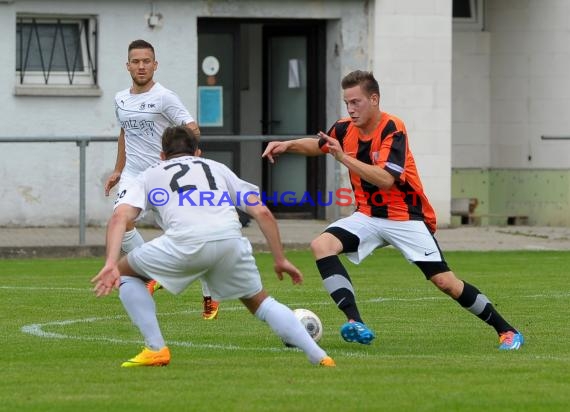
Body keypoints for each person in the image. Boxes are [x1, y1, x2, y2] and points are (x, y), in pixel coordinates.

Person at [262, 70, 524, 351]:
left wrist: (343, 157)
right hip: (368, 216)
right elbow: (320, 144)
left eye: (356, 102)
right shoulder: (344, 128)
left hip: (405, 217)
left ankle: (507, 330)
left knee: (446, 282)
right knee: (321, 245)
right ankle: (355, 321)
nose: (350, 109)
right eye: (347, 103)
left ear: (374, 99)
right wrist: (288, 144)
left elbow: (386, 179)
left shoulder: (392, 128)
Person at [91, 126, 335, 368]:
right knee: (261, 302)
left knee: (126, 275)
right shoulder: (217, 168)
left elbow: (119, 218)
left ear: (162, 156)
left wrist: (111, 263)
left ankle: (156, 349)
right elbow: (262, 212)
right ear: (197, 152)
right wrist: (280, 259)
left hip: (184, 243)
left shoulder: (150, 174)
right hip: (229, 241)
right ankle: (319, 356)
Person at [104, 39, 220, 320]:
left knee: (190, 237)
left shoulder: (165, 97)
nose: (141, 66)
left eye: (146, 61)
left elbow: (192, 127)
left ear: (155, 65)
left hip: (165, 176)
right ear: (127, 65)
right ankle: (153, 270)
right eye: (136, 61)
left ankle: (211, 295)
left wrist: (187, 153)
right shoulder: (121, 99)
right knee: (121, 219)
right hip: (134, 176)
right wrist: (119, 169)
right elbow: (124, 135)